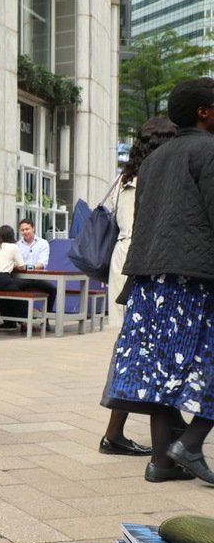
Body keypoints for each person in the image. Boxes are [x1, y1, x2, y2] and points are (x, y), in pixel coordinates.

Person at [104, 77, 214, 484]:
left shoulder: (153, 160)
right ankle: (190, 443)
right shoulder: (209, 150)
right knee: (199, 361)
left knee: (161, 368)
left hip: (150, 278)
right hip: (194, 278)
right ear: (204, 112)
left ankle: (161, 462)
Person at [99, 116, 179, 456]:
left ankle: (118, 433)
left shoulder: (124, 177)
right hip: (144, 263)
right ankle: (156, 435)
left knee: (134, 346)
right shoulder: (159, 176)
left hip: (125, 261)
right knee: (139, 348)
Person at [0, 226, 29, 329]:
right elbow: (22, 266)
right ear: (12, 235)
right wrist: (12, 265)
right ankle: (25, 321)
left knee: (0, 295)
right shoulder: (13, 247)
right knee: (23, 291)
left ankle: (9, 322)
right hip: (2, 279)